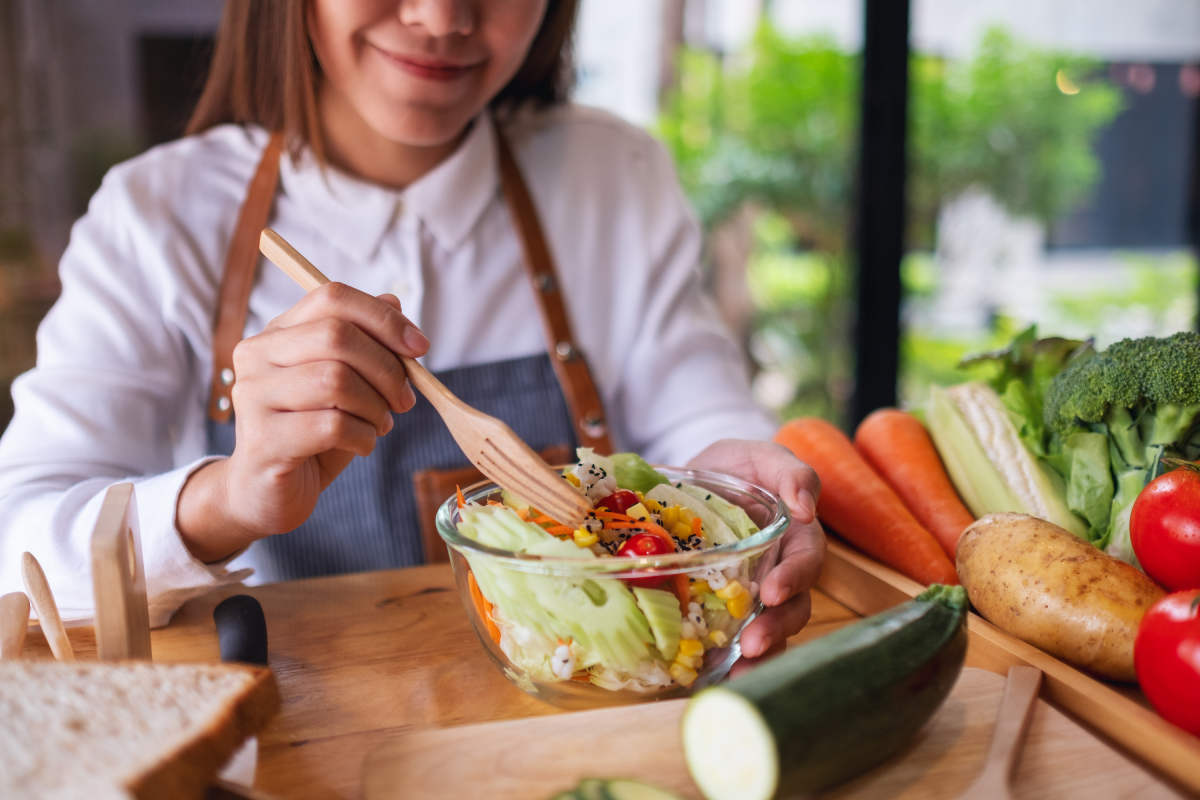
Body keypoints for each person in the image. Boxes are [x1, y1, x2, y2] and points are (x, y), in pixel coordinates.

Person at [0, 0, 824, 666]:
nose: (441, 17)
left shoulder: (614, 176)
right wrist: (228, 497)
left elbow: (699, 421)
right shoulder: (153, 214)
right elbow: (18, 551)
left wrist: (736, 486)